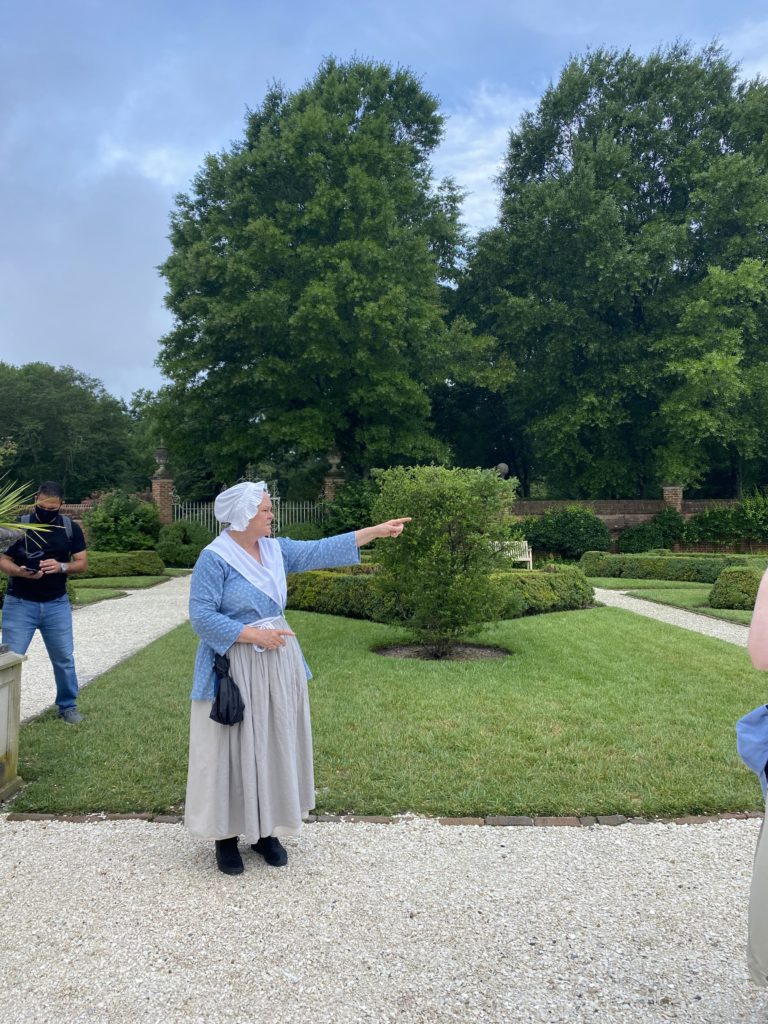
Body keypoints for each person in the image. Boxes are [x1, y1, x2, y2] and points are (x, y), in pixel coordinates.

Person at [186, 480, 410, 875]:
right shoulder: (215, 558)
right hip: (235, 665)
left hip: (278, 662)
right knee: (231, 748)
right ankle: (226, 837)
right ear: (243, 516)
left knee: (273, 741)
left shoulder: (276, 550)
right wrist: (254, 634)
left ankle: (265, 831)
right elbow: (202, 616)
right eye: (266, 511)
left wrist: (375, 531)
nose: (272, 515)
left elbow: (321, 549)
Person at [0, 481, 88, 723]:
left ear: (61, 504)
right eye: (42, 506)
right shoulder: (20, 525)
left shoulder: (69, 528)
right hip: (20, 603)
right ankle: (3, 714)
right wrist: (18, 571)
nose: (47, 511)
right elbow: (3, 559)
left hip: (56, 603)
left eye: (52, 508)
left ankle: (68, 706)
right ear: (35, 500)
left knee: (64, 659)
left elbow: (82, 562)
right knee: (9, 660)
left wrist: (61, 566)